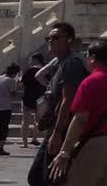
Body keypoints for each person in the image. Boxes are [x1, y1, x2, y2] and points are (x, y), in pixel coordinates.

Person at [48, 39, 107, 186]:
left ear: (93, 57)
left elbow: (80, 119)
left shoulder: (90, 82)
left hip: (95, 143)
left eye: (87, 55)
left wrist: (64, 151)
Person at [28, 21, 89, 186]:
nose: (50, 41)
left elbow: (67, 100)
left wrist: (58, 133)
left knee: (51, 179)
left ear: (69, 40)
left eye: (55, 38)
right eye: (48, 38)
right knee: (37, 177)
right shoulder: (59, 62)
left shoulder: (72, 64)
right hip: (54, 127)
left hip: (63, 129)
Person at [21, 53, 46, 147]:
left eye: (30, 59)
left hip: (28, 97)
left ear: (35, 60)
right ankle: (35, 138)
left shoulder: (28, 71)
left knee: (25, 120)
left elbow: (21, 84)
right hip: (41, 98)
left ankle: (25, 143)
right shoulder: (45, 70)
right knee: (38, 120)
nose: (29, 61)